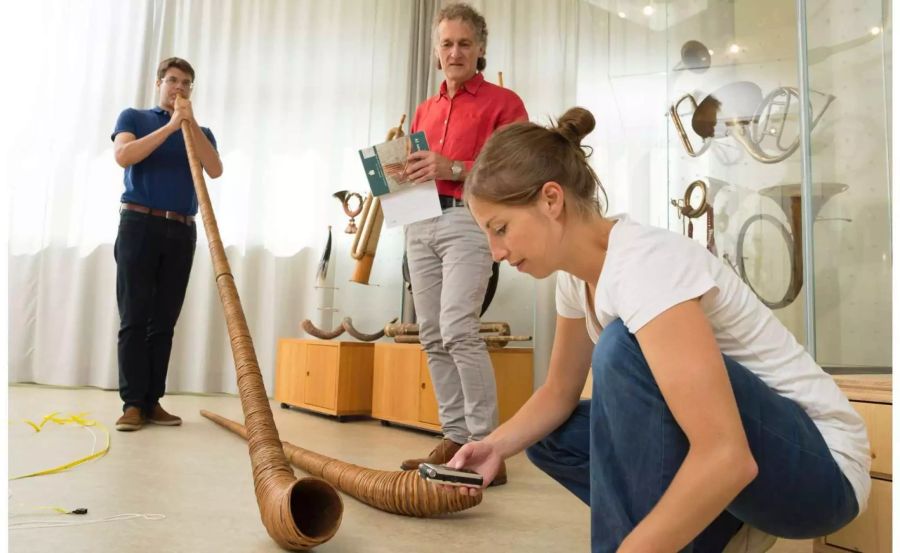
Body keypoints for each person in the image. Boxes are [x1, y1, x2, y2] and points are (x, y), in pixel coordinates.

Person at [446, 106, 869, 552]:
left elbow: (727, 457)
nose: (495, 252)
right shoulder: (575, 277)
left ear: (551, 200)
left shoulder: (645, 266)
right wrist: (493, 446)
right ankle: (709, 528)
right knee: (551, 436)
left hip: (821, 474)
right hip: (756, 459)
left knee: (620, 348)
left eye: (500, 229)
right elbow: (557, 392)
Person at [399, 2, 528, 485]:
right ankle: (455, 438)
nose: (455, 52)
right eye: (447, 44)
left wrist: (450, 167)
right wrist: (399, 173)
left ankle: (487, 448)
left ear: (480, 50)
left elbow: (516, 173)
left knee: (458, 328)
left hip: (469, 223)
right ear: (437, 52)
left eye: (464, 44)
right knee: (431, 332)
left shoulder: (504, 102)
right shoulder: (425, 108)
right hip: (420, 221)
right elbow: (419, 170)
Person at [111, 57, 223, 432]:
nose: (179, 87)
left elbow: (215, 169)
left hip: (181, 231)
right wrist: (171, 125)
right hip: (139, 223)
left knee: (164, 321)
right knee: (134, 317)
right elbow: (124, 155)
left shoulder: (200, 130)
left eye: (186, 83)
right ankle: (131, 404)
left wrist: (187, 127)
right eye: (173, 80)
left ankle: (152, 401)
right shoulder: (134, 117)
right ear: (159, 82)